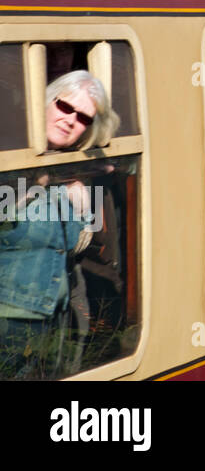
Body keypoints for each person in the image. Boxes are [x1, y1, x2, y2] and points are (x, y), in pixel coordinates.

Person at [1, 72, 118, 377]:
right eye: (66, 107)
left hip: (53, 320)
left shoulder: (77, 168)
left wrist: (82, 205)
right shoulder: (10, 148)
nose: (71, 120)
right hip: (8, 324)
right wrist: (37, 185)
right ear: (47, 100)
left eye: (83, 118)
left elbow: (87, 246)